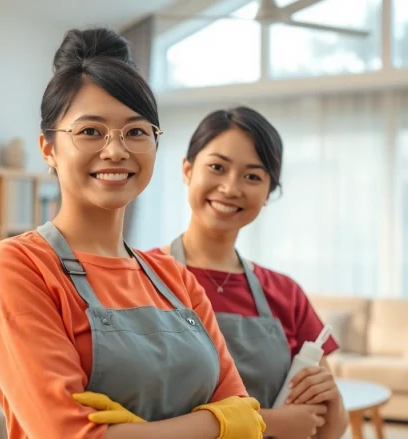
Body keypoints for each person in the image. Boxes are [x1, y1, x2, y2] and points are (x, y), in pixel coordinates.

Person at [0, 28, 266, 439]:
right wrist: (219, 422)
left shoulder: (175, 279)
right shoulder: (17, 268)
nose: (115, 150)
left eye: (136, 131)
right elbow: (67, 436)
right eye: (91, 131)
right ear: (48, 147)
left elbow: (248, 418)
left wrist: (132, 432)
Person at [149, 106, 349, 439]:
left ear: (269, 193)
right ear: (187, 170)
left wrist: (331, 399)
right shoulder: (140, 276)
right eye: (217, 167)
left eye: (252, 176)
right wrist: (271, 421)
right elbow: (137, 414)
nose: (230, 188)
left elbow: (328, 429)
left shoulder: (286, 293)